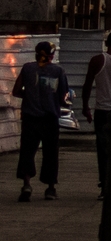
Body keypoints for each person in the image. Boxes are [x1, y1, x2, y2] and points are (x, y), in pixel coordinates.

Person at [13, 41, 71, 201]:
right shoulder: (58, 71)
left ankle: (26, 185)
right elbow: (63, 97)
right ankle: (50, 189)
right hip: (50, 118)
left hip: (30, 118)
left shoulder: (27, 68)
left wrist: (30, 96)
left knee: (27, 152)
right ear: (52, 55)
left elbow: (16, 91)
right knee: (51, 153)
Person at [82, 28, 111, 195]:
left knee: (102, 150)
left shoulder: (96, 61)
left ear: (106, 44)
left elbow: (87, 86)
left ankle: (104, 184)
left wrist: (85, 107)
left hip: (101, 111)